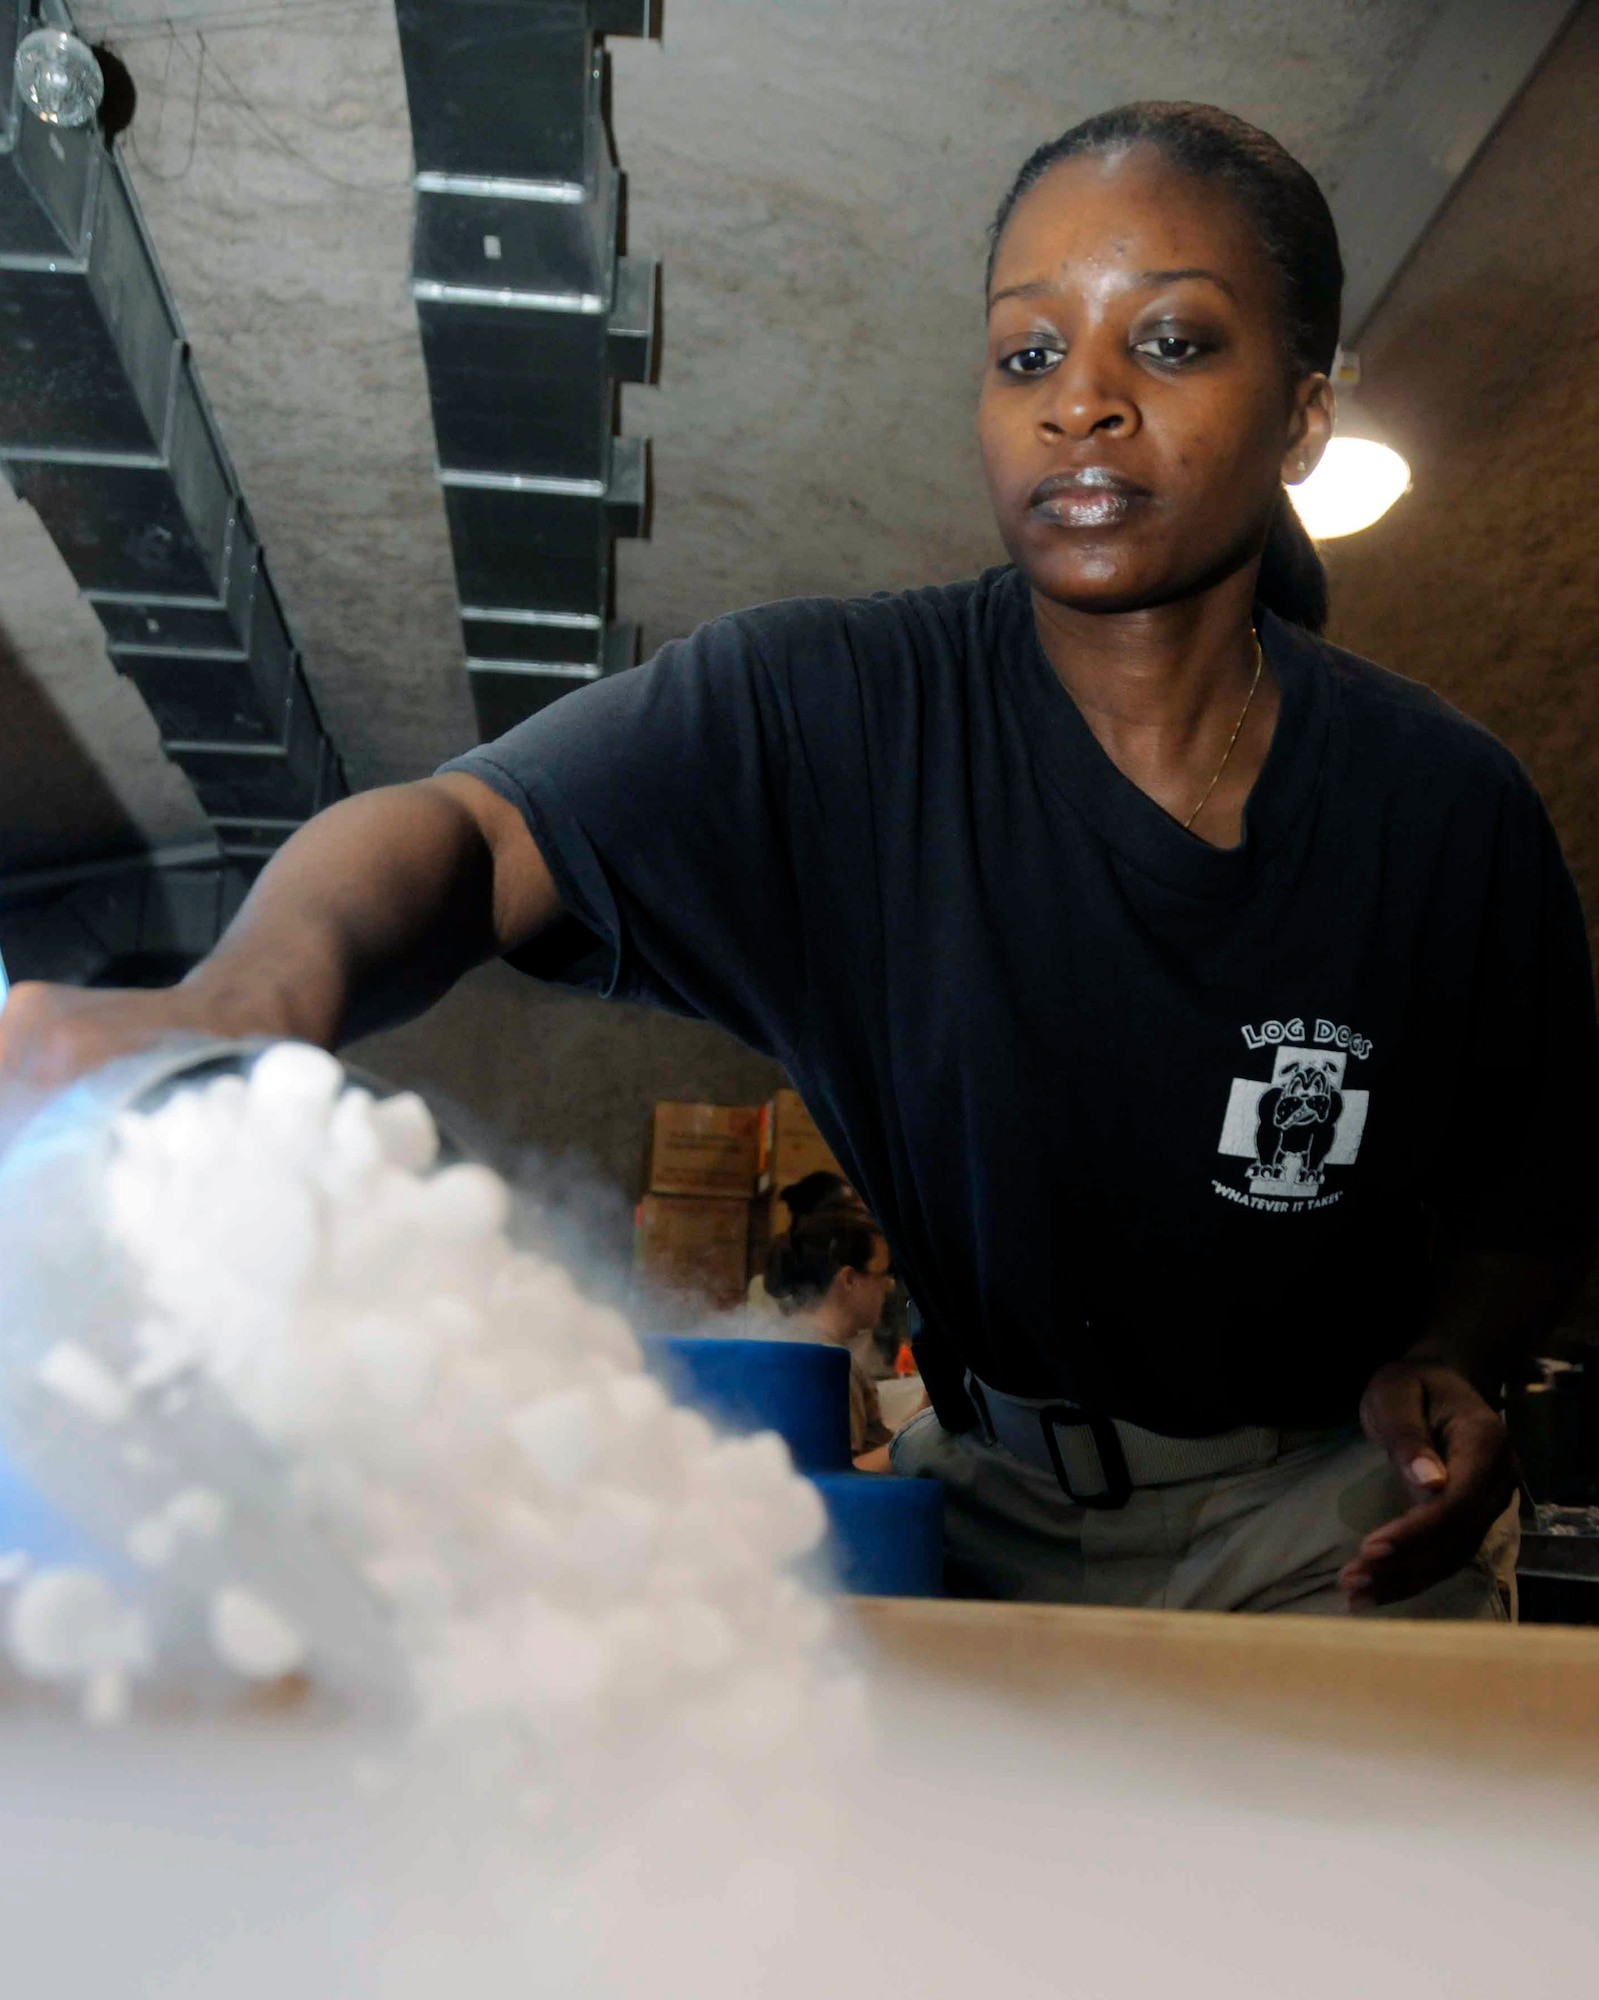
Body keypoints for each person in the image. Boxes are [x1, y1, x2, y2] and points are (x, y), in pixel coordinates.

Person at [4, 103, 1594, 1616]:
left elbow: (1534, 1197)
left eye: (1168, 343)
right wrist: (255, 994)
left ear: (1303, 410)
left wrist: (1451, 1354)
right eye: (1026, 350)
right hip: (979, 1509)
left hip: (1327, 1523)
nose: (1080, 400)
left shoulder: (1438, 809)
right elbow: (475, 830)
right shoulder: (827, 715)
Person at [764, 1208, 898, 1467]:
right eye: (882, 1274)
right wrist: (916, 1441)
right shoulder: (829, 1364)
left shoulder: (785, 1340)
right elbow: (842, 1475)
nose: (889, 1285)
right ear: (848, 1279)